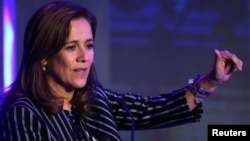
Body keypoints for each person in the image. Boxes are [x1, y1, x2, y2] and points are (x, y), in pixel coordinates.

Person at [0, 1, 243, 141]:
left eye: (89, 45)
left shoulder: (94, 100)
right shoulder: (23, 112)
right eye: (71, 47)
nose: (85, 57)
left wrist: (210, 82)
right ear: (44, 57)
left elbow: (150, 111)